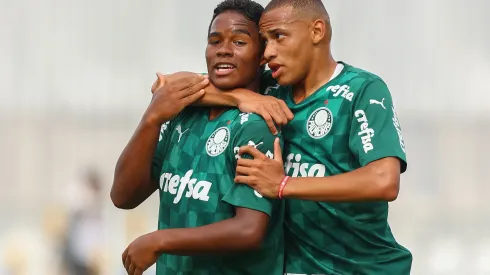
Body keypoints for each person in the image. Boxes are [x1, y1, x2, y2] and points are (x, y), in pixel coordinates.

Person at [167, 0, 412, 274]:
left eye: (278, 37)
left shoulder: (362, 90)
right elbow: (166, 86)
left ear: (317, 31)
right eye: (264, 41)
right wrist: (238, 95)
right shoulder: (271, 87)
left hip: (364, 268)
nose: (268, 52)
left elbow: (383, 181)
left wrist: (283, 184)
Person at [110, 1, 285, 275]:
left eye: (239, 41)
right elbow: (123, 195)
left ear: (261, 55)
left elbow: (249, 229)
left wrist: (160, 241)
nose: (224, 49)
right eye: (215, 41)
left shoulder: (256, 125)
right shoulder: (184, 115)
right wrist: (152, 118)